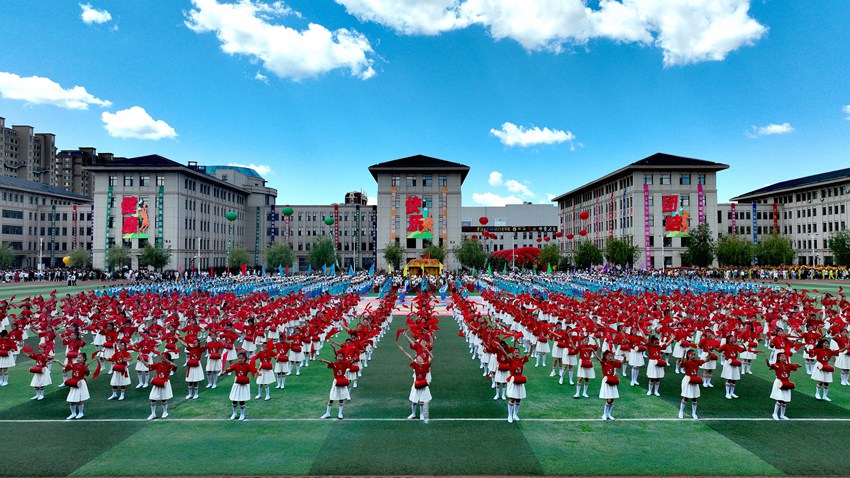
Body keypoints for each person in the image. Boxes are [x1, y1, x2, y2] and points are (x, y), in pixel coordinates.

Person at [398, 343, 433, 423]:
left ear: (423, 360)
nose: (419, 360)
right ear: (416, 360)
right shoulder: (415, 365)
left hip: (423, 385)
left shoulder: (425, 366)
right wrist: (403, 350)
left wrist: (427, 350)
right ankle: (413, 414)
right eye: (418, 359)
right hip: (416, 384)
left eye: (420, 359)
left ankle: (421, 414)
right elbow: (410, 357)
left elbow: (432, 358)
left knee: (422, 401)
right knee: (414, 401)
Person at [318, 350, 351, 419]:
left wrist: (351, 359)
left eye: (341, 357)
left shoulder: (345, 363)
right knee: (331, 398)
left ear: (343, 358)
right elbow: (330, 363)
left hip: (342, 381)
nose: (339, 358)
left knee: (341, 398)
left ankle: (340, 413)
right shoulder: (335, 363)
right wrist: (324, 360)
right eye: (338, 356)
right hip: (336, 381)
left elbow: (350, 364)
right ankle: (327, 413)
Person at [767, 351, 799, 420]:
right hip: (779, 382)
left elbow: (795, 367)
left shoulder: (789, 365)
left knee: (784, 400)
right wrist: (767, 363)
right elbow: (770, 366)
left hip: (786, 382)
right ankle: (774, 414)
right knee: (780, 399)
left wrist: (797, 365)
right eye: (782, 357)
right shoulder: (777, 365)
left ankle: (782, 415)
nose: (784, 358)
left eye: (785, 357)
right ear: (779, 358)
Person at [224, 351, 256, 420]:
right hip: (237, 384)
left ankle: (242, 414)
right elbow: (229, 369)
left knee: (242, 400)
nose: (240, 360)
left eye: (242, 358)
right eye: (239, 358)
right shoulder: (235, 365)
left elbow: (253, 369)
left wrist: (258, 372)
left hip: (243, 384)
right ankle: (234, 413)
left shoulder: (247, 365)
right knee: (234, 399)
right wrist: (223, 372)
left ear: (245, 359)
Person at [147, 353, 176, 420]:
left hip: (165, 382)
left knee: (164, 398)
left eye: (164, 358)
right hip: (158, 381)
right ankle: (153, 414)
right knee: (153, 398)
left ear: (167, 358)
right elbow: (149, 366)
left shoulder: (169, 365)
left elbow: (175, 366)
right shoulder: (158, 364)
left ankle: (165, 412)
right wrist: (143, 361)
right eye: (162, 358)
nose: (162, 359)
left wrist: (167, 360)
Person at [595, 350, 621, 420]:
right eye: (609, 356)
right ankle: (604, 414)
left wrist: (624, 357)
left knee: (612, 400)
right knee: (609, 400)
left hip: (612, 380)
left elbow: (622, 362)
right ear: (606, 357)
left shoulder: (613, 362)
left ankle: (609, 414)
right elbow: (597, 358)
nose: (610, 357)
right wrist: (594, 352)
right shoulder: (603, 362)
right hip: (606, 381)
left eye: (611, 356)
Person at [64, 352, 91, 420]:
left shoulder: (84, 366)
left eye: (80, 358)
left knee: (79, 399)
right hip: (74, 383)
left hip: (80, 383)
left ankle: (81, 413)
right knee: (72, 399)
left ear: (83, 359)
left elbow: (87, 374)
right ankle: (73, 413)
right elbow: (66, 366)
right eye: (77, 357)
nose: (78, 359)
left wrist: (86, 367)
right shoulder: (74, 364)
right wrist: (59, 362)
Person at [679, 349, 705, 419]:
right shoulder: (687, 362)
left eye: (694, 354)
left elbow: (706, 360)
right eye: (692, 354)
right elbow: (681, 364)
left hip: (695, 380)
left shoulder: (697, 361)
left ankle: (694, 413)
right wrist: (683, 354)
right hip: (688, 379)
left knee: (694, 398)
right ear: (688, 355)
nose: (694, 356)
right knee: (685, 397)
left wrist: (709, 353)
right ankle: (681, 411)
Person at [506, 347, 530, 423]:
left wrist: (532, 347)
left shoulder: (521, 360)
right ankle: (509, 415)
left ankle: (515, 414)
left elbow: (529, 354)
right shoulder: (511, 360)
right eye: (515, 352)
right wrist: (499, 346)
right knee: (512, 398)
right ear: (513, 354)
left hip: (520, 380)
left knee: (518, 399)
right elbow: (505, 354)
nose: (517, 354)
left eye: (518, 352)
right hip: (513, 381)